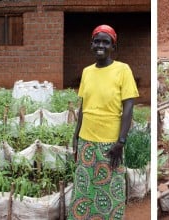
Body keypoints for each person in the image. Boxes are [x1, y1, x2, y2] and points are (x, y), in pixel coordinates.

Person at [67, 24, 139, 220]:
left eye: (105, 42)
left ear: (113, 47)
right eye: (96, 41)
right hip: (86, 141)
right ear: (91, 45)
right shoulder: (87, 72)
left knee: (110, 190)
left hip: (110, 144)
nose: (100, 45)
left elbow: (129, 107)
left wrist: (121, 141)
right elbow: (84, 106)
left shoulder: (122, 70)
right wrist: (76, 136)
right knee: (84, 187)